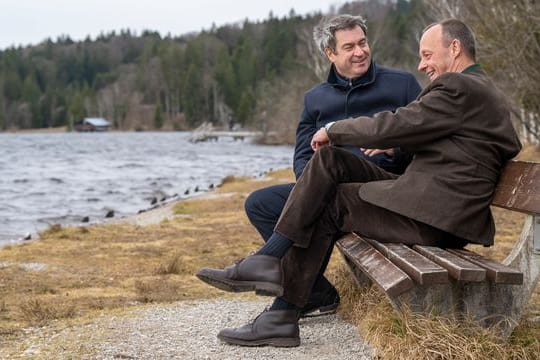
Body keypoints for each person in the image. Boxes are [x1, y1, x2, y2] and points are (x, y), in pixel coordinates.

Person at [197, 18, 522, 347]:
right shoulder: (477, 89)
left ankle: (281, 313)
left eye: (427, 54)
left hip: (437, 216)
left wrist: (335, 128)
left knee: (332, 203)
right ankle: (267, 261)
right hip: (434, 204)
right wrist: (398, 144)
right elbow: (458, 142)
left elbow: (397, 122)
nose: (421, 64)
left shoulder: (460, 87)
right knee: (331, 160)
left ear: (455, 48)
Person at [242, 14, 421, 318]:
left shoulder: (402, 85)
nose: (360, 51)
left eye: (362, 42)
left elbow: (426, 139)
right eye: (349, 46)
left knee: (321, 196)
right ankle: (316, 292)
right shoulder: (315, 99)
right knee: (260, 204)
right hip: (328, 189)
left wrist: (395, 148)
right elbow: (302, 155)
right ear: (330, 54)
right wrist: (309, 188)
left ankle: (283, 298)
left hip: (383, 192)